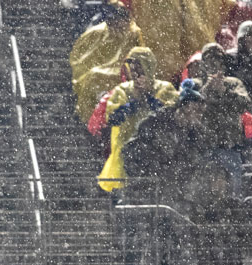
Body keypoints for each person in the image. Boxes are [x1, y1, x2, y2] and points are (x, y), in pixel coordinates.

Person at [96, 47, 178, 194]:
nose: (135, 73)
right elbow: (113, 118)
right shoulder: (122, 90)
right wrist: (133, 102)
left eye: (140, 68)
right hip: (127, 147)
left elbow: (170, 113)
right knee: (126, 187)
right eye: (132, 68)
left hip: (159, 146)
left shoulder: (165, 88)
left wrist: (148, 97)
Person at [70, 2, 143, 123]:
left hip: (125, 72)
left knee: (95, 77)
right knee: (92, 78)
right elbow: (80, 58)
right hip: (108, 73)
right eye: (112, 21)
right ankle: (90, 118)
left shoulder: (135, 33)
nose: (115, 25)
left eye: (118, 21)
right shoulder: (97, 33)